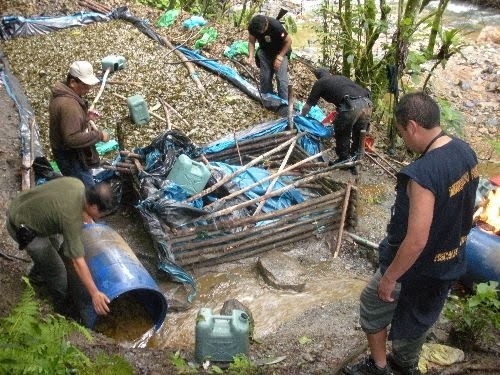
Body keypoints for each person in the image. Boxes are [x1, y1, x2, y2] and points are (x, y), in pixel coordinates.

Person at [343, 92, 479, 375]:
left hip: (418, 266)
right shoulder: (466, 152)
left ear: (413, 126)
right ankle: (404, 365)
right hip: (451, 259)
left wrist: (390, 278)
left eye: (403, 132)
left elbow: (416, 239)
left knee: (373, 302)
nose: (404, 139)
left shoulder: (423, 175)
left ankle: (379, 367)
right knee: (419, 316)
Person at [6, 177, 112, 321]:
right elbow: (78, 263)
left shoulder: (77, 184)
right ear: (93, 207)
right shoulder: (71, 219)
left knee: (56, 245)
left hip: (21, 207)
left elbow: (63, 205)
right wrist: (95, 294)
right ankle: (61, 308)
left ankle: (37, 274)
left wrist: (84, 215)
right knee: (58, 272)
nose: (100, 216)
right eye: (101, 213)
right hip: (21, 229)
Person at [49, 61, 109, 187]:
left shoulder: (62, 93)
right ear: (72, 82)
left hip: (63, 150)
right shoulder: (69, 105)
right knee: (86, 189)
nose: (89, 89)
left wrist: (84, 118)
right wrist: (99, 135)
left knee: (77, 184)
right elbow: (71, 138)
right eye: (86, 86)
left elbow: (65, 122)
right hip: (69, 156)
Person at [301, 68, 372, 165]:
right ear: (329, 73)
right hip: (367, 103)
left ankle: (344, 159)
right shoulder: (341, 78)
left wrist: (300, 118)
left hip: (352, 105)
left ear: (318, 77)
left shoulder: (320, 83)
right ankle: (356, 160)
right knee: (359, 134)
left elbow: (307, 107)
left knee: (342, 131)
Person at [247, 14, 292, 101]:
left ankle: (284, 103)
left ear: (266, 23)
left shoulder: (276, 26)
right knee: (265, 77)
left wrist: (279, 57)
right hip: (265, 51)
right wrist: (251, 56)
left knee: (281, 80)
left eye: (263, 30)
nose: (261, 33)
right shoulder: (253, 27)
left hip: (280, 51)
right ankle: (267, 99)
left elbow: (289, 41)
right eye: (260, 32)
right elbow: (251, 42)